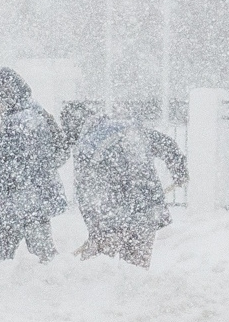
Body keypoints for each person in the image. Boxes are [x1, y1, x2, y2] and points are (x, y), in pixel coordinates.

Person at [60, 102, 188, 268]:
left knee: (97, 274)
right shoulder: (128, 127)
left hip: (113, 217)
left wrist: (95, 230)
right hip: (147, 209)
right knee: (136, 273)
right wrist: (179, 171)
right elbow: (166, 144)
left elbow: (86, 194)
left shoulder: (85, 145)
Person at [0, 68, 66, 263]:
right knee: (34, 249)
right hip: (35, 197)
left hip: (23, 200)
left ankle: (44, 284)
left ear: (8, 96)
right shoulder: (35, 113)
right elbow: (29, 155)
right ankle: (47, 281)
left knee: (12, 250)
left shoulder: (17, 122)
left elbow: (8, 167)